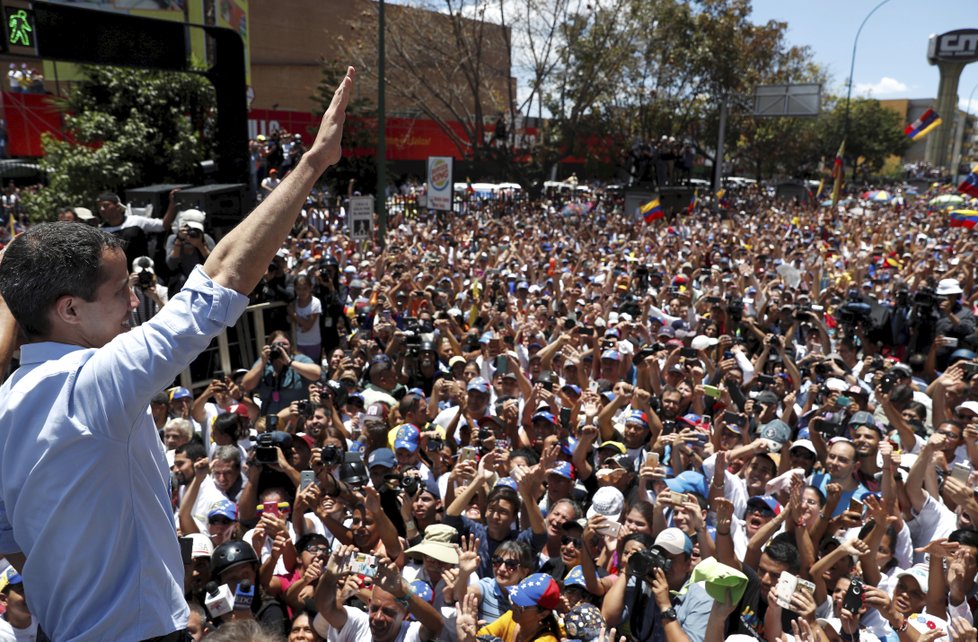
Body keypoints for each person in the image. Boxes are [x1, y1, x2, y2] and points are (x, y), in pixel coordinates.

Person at [0, 66, 356, 640]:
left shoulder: (6, 405)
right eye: (119, 294)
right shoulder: (93, 385)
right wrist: (314, 162)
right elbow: (219, 281)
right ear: (68, 309)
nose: (136, 305)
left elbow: (14, 547)